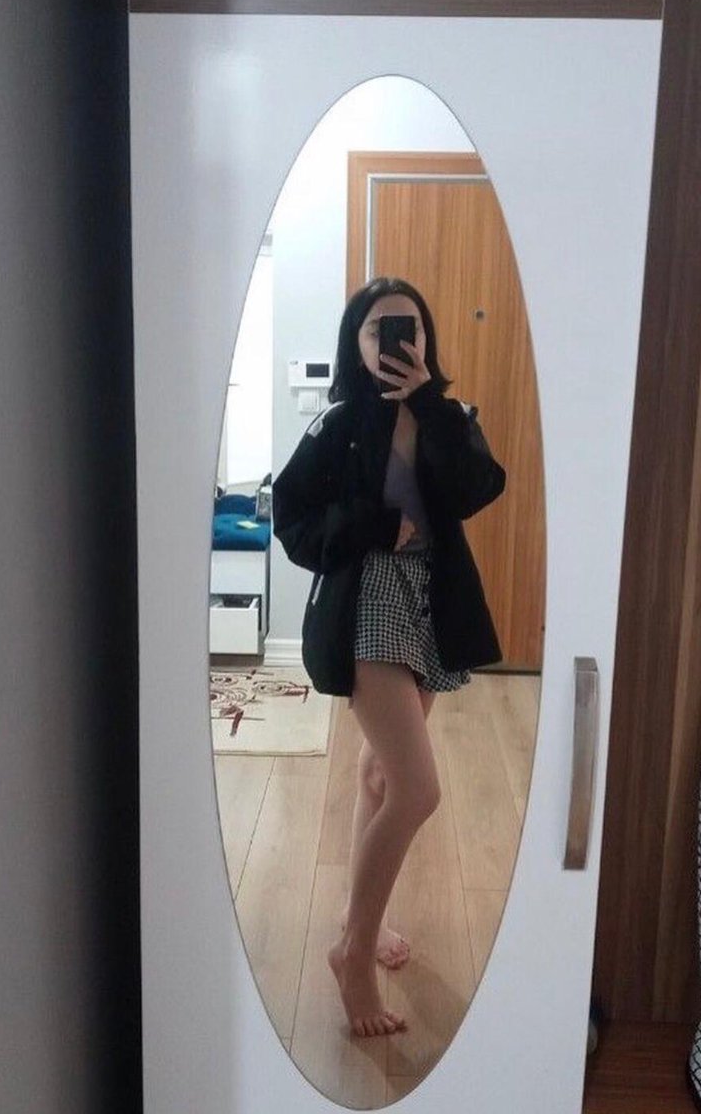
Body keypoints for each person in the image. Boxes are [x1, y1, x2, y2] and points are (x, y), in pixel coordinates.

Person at [271, 276, 506, 1038]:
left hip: (429, 597)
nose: (395, 342)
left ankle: (357, 918)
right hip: (365, 599)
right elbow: (291, 516)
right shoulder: (338, 424)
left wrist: (429, 406)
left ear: (427, 339)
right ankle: (353, 954)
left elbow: (477, 489)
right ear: (357, 344)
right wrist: (371, 525)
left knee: (380, 772)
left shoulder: (449, 417)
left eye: (409, 328)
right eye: (378, 330)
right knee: (416, 788)